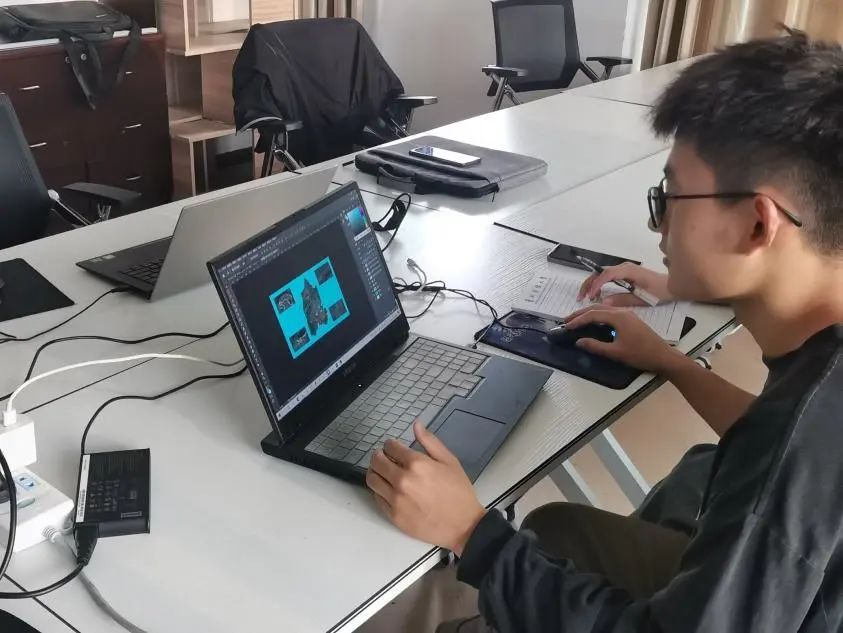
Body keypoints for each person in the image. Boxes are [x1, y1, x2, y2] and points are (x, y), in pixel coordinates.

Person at [364, 31, 843, 632]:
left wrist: (470, 533)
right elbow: (782, 437)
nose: (658, 225)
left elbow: (787, 452)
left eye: (670, 197)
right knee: (564, 526)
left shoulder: (797, 444)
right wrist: (672, 362)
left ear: (756, 226)